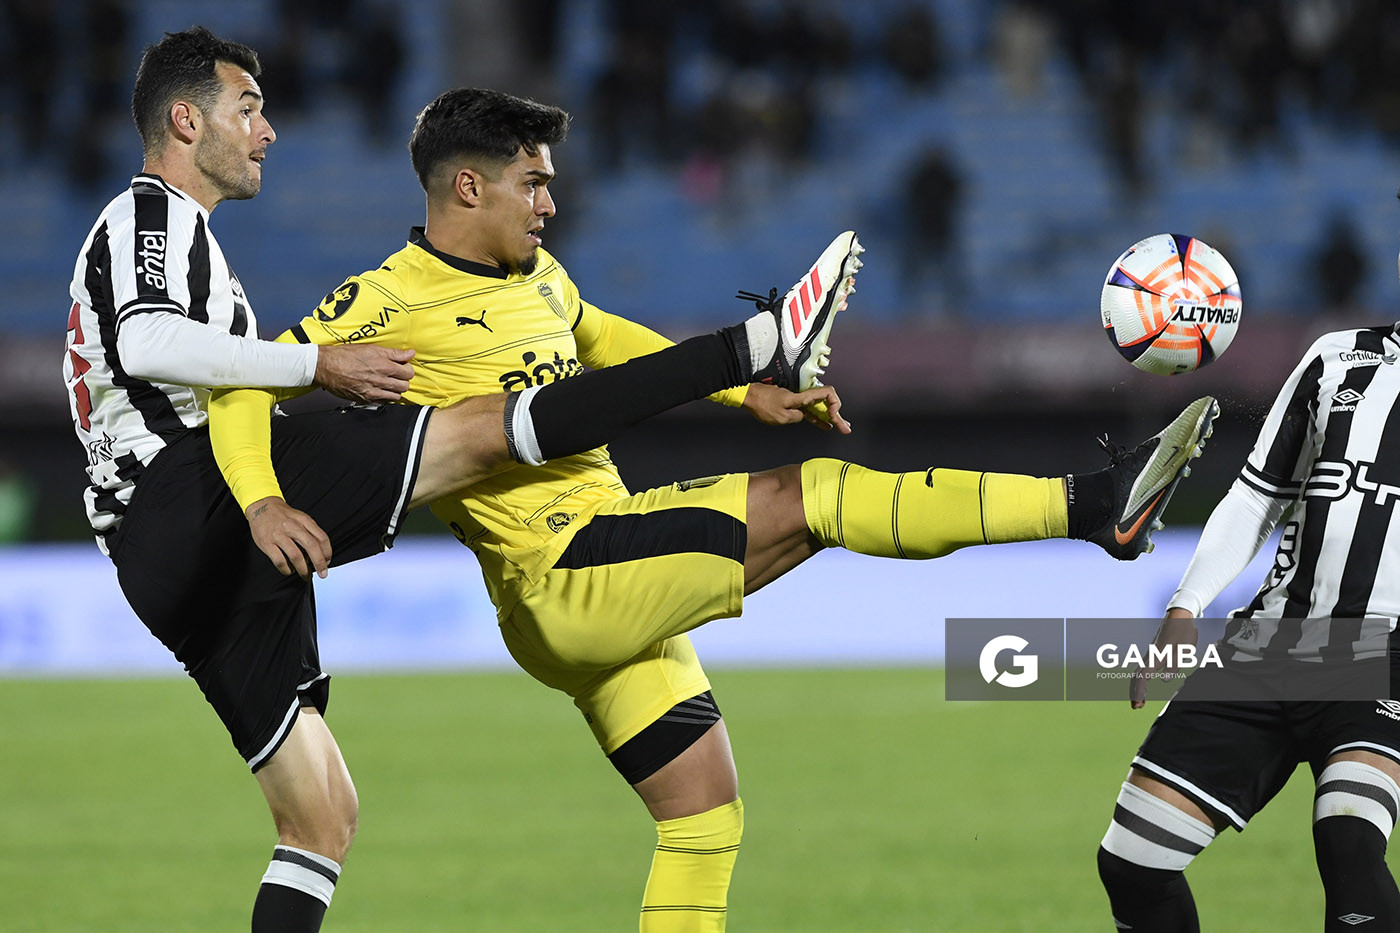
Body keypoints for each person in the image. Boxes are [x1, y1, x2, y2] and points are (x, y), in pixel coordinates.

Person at [211, 87, 1220, 930]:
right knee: (816, 496)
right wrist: (260, 502)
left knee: (700, 816)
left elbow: (603, 336)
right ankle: (1093, 506)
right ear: (466, 186)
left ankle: (1095, 507)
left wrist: (748, 394)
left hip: (597, 575)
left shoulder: (538, 276)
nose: (550, 203)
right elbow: (246, 385)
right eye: (532, 183)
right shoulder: (384, 301)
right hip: (563, 570)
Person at [63, 28, 846, 933]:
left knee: (321, 819)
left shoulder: (192, 244)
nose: (267, 130)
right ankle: (751, 344)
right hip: (182, 496)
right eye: (248, 109)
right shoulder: (149, 215)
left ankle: (734, 369)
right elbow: (146, 339)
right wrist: (316, 368)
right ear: (185, 120)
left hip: (178, 555)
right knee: (476, 424)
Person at [1097, 307, 1400, 931]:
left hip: (1383, 653)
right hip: (1270, 641)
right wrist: (1186, 603)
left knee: (1349, 836)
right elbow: (1258, 493)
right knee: (1133, 864)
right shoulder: (1338, 356)